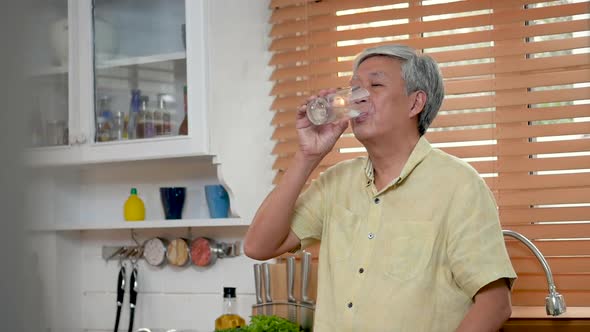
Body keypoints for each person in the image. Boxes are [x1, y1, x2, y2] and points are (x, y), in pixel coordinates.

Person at [244, 44, 516, 331]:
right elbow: (259, 246)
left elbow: (495, 303)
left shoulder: (459, 185)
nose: (358, 98)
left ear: (415, 103)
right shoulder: (336, 183)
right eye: (354, 88)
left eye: (375, 85)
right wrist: (306, 156)